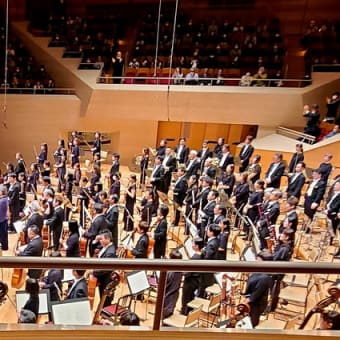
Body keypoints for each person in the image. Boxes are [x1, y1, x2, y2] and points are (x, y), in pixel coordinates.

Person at [244, 252, 273, 327]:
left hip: (257, 304)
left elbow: (258, 291)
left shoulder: (265, 277)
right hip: (253, 300)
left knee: (252, 322)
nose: (256, 262)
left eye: (258, 261)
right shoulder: (259, 270)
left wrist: (248, 300)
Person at [93, 230, 117, 307]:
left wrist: (93, 272)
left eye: (101, 239)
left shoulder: (110, 252)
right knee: (102, 298)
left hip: (106, 280)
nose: (100, 241)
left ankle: (105, 316)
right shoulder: (106, 246)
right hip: (103, 279)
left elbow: (104, 269)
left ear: (108, 239)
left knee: (105, 301)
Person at [162, 250, 183, 319]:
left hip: (167, 296)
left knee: (165, 317)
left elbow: (163, 283)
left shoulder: (170, 272)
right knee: (169, 313)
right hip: (174, 295)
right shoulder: (180, 269)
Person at [0, 185, 9, 250]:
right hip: (4, 219)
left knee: (3, 235)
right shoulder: (4, 198)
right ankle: (4, 247)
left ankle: (4, 247)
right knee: (4, 235)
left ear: (2, 192)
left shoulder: (2, 200)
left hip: (1, 220)